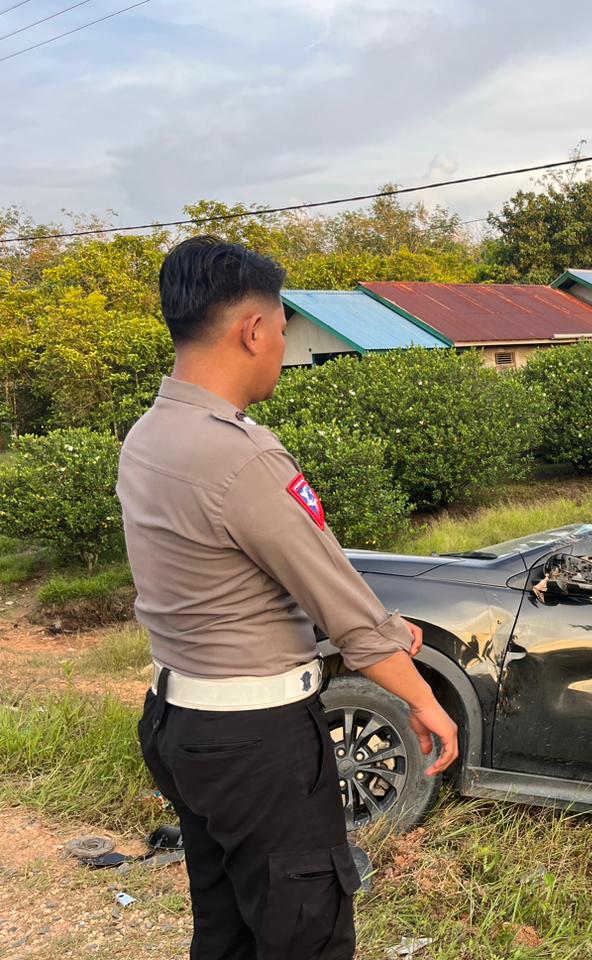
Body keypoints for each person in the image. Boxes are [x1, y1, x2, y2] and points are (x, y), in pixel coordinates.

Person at [117, 236, 459, 960]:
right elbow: (346, 612)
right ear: (251, 330)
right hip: (257, 743)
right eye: (281, 328)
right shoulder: (240, 456)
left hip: (182, 725)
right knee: (305, 935)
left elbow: (225, 577)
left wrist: (384, 625)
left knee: (227, 929)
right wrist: (424, 702)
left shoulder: (148, 437)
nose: (281, 343)